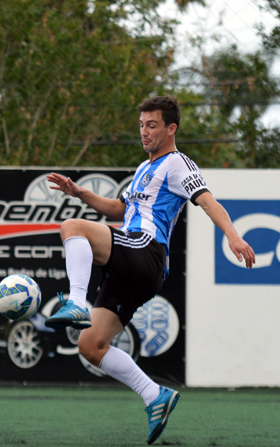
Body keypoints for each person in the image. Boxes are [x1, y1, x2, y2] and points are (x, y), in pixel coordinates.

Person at [44, 95, 256, 445]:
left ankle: (77, 302)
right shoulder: (144, 168)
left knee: (72, 227)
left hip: (146, 251)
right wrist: (79, 192)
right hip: (135, 265)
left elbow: (206, 200)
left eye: (152, 125)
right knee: (90, 344)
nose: (144, 131)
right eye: (141, 124)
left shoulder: (177, 163)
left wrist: (233, 235)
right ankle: (154, 396)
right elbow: (118, 209)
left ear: (171, 128)